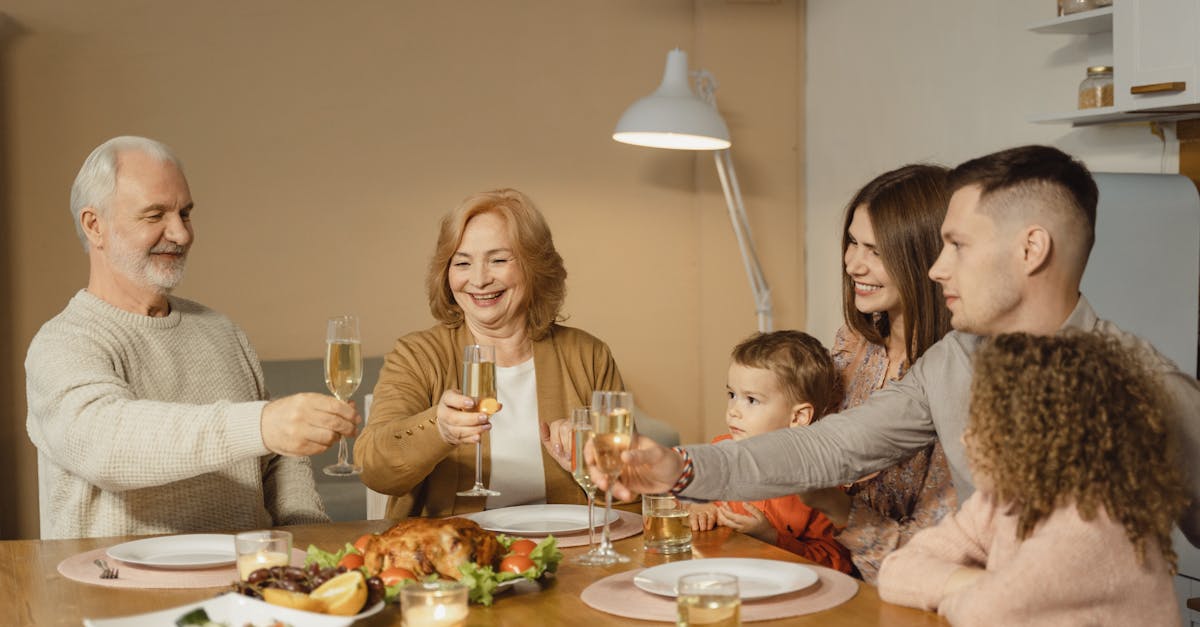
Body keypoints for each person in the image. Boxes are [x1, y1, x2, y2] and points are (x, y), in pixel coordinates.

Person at [590, 144, 1200, 548]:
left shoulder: (1152, 387)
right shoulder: (951, 364)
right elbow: (829, 447)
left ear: (1031, 249)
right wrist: (680, 468)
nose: (935, 269)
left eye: (958, 246)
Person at [26, 136, 359, 540]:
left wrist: (308, 541)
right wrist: (259, 424)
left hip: (245, 590)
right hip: (111, 592)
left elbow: (278, 463)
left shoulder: (222, 331)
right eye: (155, 216)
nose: (180, 234)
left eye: (185, 213)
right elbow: (107, 442)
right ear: (94, 225)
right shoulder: (63, 342)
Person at [878, 332, 1184, 625]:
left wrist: (976, 592)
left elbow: (981, 615)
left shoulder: (1091, 529)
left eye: (983, 424)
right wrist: (986, 584)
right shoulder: (1003, 500)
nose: (966, 437)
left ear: (1036, 437)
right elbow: (895, 571)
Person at [355, 188, 625, 519]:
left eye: (498, 260)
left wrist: (592, 456)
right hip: (453, 555)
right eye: (463, 263)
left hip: (567, 547)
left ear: (534, 267)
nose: (480, 280)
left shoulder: (588, 354)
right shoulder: (417, 354)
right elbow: (374, 469)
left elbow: (630, 487)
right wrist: (438, 430)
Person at [800, 164, 957, 583]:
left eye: (876, 250)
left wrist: (839, 511)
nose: (852, 264)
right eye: (852, 242)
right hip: (819, 572)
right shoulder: (852, 344)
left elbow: (934, 566)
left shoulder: (960, 377)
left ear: (930, 259)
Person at [686, 331, 852, 573]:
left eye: (751, 400)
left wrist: (771, 537)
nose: (733, 411)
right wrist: (698, 506)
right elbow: (680, 495)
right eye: (732, 395)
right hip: (721, 576)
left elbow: (837, 563)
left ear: (798, 416)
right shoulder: (721, 450)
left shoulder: (819, 485)